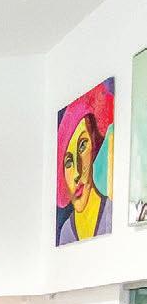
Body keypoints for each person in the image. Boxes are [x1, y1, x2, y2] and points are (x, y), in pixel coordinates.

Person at [56, 80, 114, 245]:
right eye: (68, 162)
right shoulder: (66, 232)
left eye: (82, 145)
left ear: (94, 143)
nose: (77, 173)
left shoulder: (111, 212)